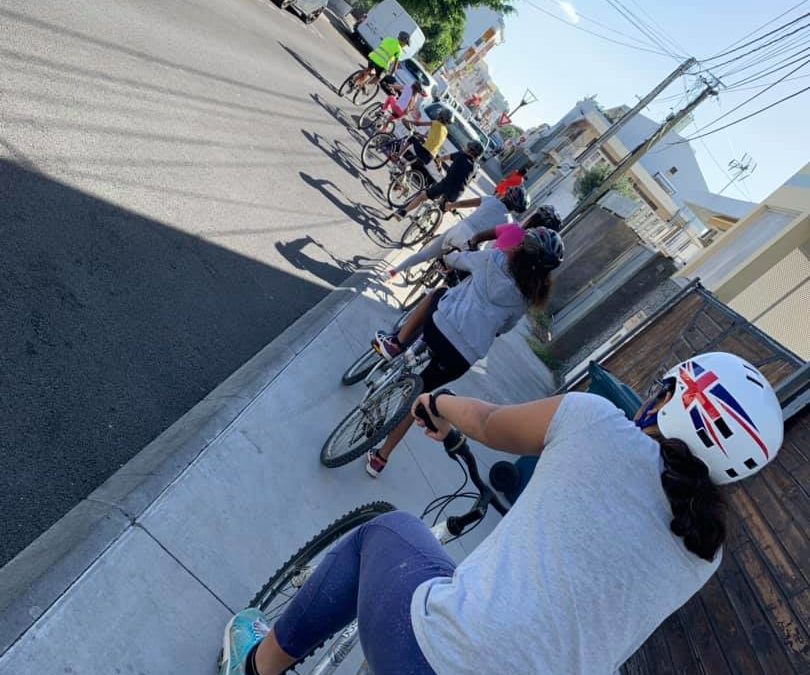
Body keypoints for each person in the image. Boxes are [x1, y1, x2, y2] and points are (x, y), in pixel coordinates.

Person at [219, 352, 784, 675]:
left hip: (434, 656)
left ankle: (256, 666)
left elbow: (488, 423)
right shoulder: (705, 551)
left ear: (669, 398)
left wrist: (434, 405)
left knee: (390, 531)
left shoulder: (596, 422)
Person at [367, 227, 563, 477]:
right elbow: (505, 327)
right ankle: (380, 459)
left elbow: (454, 259)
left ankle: (396, 342)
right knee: (420, 394)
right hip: (462, 356)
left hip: (440, 326)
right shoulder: (526, 298)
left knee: (438, 294)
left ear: (522, 248)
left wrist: (454, 255)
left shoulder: (494, 259)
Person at [387, 186, 530, 279]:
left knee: (426, 254)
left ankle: (394, 271)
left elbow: (462, 204)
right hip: (472, 243)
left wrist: (450, 206)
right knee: (460, 274)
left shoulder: (490, 199)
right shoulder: (509, 222)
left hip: (460, 229)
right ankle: (443, 277)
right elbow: (495, 243)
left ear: (507, 193)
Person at [387, 140, 484, 221]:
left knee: (423, 196)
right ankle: (431, 233)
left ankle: (403, 213)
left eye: (468, 147)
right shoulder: (476, 167)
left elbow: (442, 159)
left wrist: (439, 166)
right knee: (443, 211)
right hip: (457, 192)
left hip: (446, 184)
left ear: (470, 150)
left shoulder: (461, 155)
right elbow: (468, 182)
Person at [469, 204, 563, 252]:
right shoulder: (538, 256)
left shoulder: (513, 229)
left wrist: (473, 247)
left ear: (532, 218)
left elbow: (478, 237)